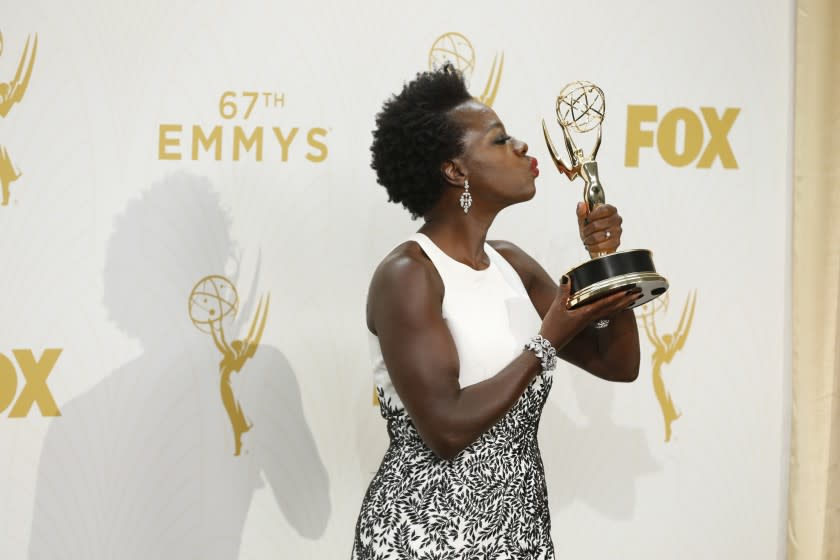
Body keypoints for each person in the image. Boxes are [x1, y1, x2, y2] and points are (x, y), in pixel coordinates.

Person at [352, 64, 642, 559]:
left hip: (519, 536)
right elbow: (445, 429)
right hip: (422, 539)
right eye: (500, 140)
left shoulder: (513, 264)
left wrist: (604, 259)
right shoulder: (408, 275)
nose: (523, 147)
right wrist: (546, 342)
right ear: (455, 170)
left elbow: (617, 364)